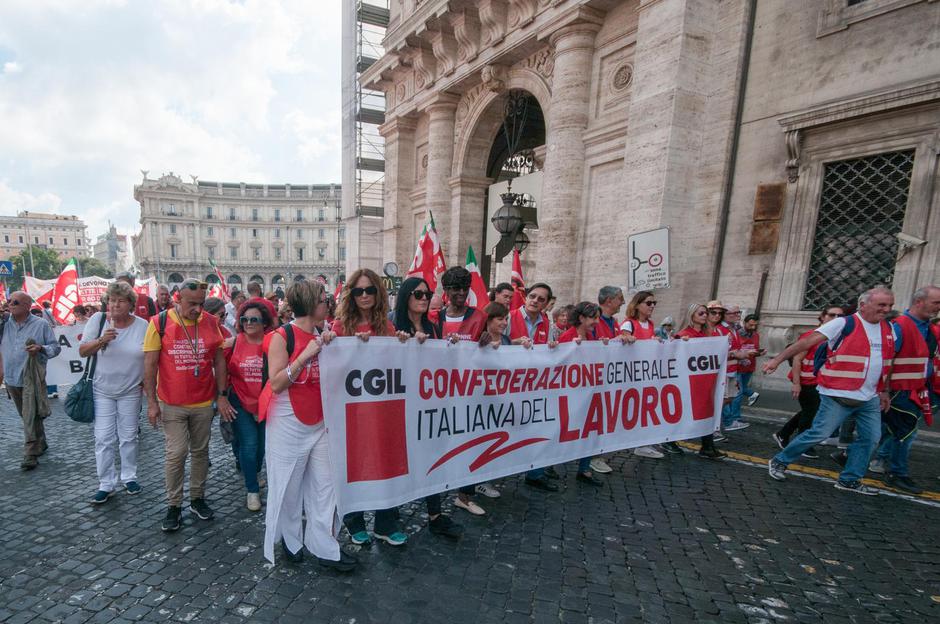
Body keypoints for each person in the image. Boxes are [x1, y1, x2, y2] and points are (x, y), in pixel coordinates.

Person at [263, 279, 356, 572]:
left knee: (325, 486)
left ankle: (325, 547)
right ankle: (292, 542)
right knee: (289, 486)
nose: (327, 303)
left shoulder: (325, 332)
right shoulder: (282, 336)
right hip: (288, 422)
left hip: (321, 420)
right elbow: (276, 382)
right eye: (322, 299)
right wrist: (304, 357)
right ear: (309, 305)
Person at [764, 287, 895, 495]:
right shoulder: (843, 323)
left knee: (870, 439)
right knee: (819, 434)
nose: (886, 309)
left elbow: (885, 363)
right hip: (837, 394)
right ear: (863, 305)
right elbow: (805, 342)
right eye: (881, 305)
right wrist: (777, 360)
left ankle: (850, 479)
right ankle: (780, 461)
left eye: (890, 306)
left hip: (869, 396)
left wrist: (885, 391)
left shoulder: (888, 328)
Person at [143, 278, 234, 531]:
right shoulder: (159, 323)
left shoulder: (212, 322)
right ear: (177, 299)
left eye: (201, 304)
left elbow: (219, 362)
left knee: (201, 452)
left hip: (204, 401)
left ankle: (197, 498)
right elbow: (149, 366)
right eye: (191, 304)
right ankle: (174, 504)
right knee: (176, 453)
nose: (197, 309)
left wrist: (222, 394)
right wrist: (151, 403)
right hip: (171, 402)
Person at [331, 269, 405, 545]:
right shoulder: (340, 327)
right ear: (351, 295)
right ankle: (354, 520)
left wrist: (405, 345)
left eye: (370, 290)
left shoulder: (387, 328)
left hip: (382, 410)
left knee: (385, 464)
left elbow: (396, 366)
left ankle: (386, 523)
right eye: (359, 291)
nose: (364, 296)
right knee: (356, 465)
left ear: (378, 293)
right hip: (352, 412)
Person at [391, 276, 464, 539]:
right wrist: (401, 343)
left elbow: (440, 365)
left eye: (427, 294)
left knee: (432, 458)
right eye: (418, 294)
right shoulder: (392, 325)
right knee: (400, 460)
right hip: (400, 407)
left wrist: (452, 348)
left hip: (427, 406)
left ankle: (435, 514)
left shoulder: (434, 328)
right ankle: (391, 513)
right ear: (406, 297)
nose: (423, 298)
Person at [79, 281, 149, 503]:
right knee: (103, 438)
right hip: (101, 390)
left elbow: (149, 358)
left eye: (120, 301)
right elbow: (82, 351)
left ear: (131, 304)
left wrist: (148, 384)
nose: (115, 305)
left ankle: (129, 476)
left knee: (129, 437)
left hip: (130, 390)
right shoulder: (98, 321)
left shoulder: (143, 326)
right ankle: (106, 483)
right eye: (111, 300)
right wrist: (102, 340)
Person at [432, 267, 495, 513]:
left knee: (469, 442)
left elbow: (486, 351)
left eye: (464, 288)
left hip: (468, 392)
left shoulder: (479, 317)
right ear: (445, 291)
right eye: (455, 288)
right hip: (438, 393)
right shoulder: (435, 317)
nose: (460, 293)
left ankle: (465, 496)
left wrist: (487, 342)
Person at [870, 286, 940, 493]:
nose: (939, 308)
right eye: (936, 303)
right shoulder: (900, 326)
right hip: (900, 390)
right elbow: (888, 359)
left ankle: (855, 456)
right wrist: (885, 390)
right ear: (919, 302)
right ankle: (896, 473)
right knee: (905, 432)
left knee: (894, 430)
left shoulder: (929, 328)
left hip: (917, 388)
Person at [772, 306, 845, 458]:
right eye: (832, 315)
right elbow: (797, 359)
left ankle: (783, 434)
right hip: (806, 380)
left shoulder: (837, 337)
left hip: (821, 381)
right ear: (823, 317)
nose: (836, 319)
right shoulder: (812, 335)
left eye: (840, 316)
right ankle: (801, 444)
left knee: (810, 411)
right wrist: (797, 383)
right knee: (811, 413)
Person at [0, 291, 61, 470]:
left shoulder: (41, 324)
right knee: (27, 414)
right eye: (9, 301)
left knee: (29, 414)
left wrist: (41, 348)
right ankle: (40, 441)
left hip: (31, 377)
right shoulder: (4, 324)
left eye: (16, 302)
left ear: (27, 306)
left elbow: (55, 348)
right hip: (11, 378)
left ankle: (30, 454)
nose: (11, 304)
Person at [227, 300, 273, 511]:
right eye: (245, 319)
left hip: (267, 402)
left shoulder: (274, 342)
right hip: (241, 401)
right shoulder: (233, 342)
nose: (249, 323)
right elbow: (218, 364)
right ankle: (252, 490)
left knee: (262, 447)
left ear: (264, 323)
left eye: (254, 319)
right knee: (250, 444)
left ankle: (253, 473)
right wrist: (220, 397)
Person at [557, 301, 607, 486]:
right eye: (593, 317)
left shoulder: (593, 337)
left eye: (598, 318)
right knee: (559, 430)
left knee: (590, 430)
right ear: (581, 318)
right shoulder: (567, 337)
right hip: (569, 395)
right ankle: (542, 470)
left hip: (588, 394)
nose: (596, 321)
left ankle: (584, 469)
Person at [620, 291, 669, 459]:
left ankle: (643, 443)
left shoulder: (651, 323)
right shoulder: (629, 323)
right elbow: (623, 340)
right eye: (649, 303)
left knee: (647, 407)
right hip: (633, 374)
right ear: (637, 305)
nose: (652, 306)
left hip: (647, 373)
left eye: (654, 303)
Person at [675, 303, 726, 460]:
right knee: (683, 411)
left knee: (706, 411)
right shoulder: (683, 334)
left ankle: (708, 446)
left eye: (706, 313)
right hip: (688, 382)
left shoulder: (707, 336)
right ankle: (670, 440)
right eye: (701, 313)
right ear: (692, 316)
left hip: (704, 382)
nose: (705, 316)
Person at [725, 314, 765, 428]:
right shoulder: (737, 334)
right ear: (745, 322)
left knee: (739, 391)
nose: (752, 327)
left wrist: (759, 352)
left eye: (755, 325)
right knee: (738, 392)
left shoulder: (756, 335)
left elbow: (755, 348)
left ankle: (733, 417)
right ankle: (734, 418)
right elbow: (734, 349)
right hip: (737, 367)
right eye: (750, 324)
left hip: (749, 367)